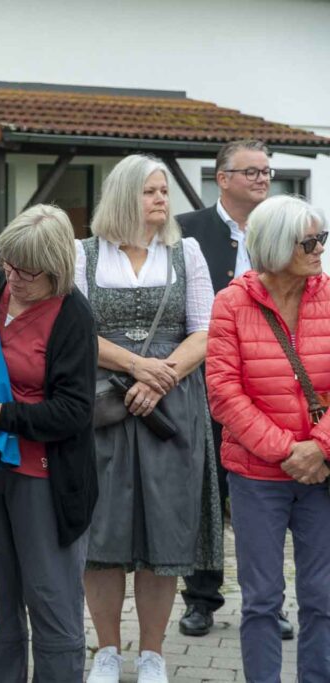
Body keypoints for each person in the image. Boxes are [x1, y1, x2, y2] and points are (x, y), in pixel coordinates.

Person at [79, 154, 221, 683]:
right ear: (123, 196)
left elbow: (205, 330)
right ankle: (107, 650)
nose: (162, 200)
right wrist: (136, 366)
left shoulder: (187, 252)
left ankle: (154, 653)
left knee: (165, 530)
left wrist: (159, 377)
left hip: (173, 403)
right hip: (103, 401)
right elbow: (74, 333)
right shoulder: (82, 254)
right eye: (151, 191)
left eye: (164, 191)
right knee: (103, 532)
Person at [0, 205, 98, 682]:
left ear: (57, 268)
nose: (14, 276)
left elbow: (75, 412)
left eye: (27, 270)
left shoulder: (73, 314)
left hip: (44, 478)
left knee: (53, 607)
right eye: (8, 262)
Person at [206, 195, 330, 683]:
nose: (320, 247)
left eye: (322, 238)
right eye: (309, 240)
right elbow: (224, 394)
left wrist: (319, 447)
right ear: (278, 245)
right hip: (257, 476)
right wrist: (288, 451)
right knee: (261, 600)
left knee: (322, 595)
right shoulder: (230, 303)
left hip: (321, 473)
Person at [176, 139, 293, 639]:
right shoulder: (187, 230)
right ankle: (201, 598)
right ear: (223, 178)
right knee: (206, 490)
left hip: (272, 380)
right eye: (252, 173)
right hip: (205, 377)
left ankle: (271, 604)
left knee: (268, 496)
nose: (263, 180)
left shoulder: (285, 225)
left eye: (267, 172)